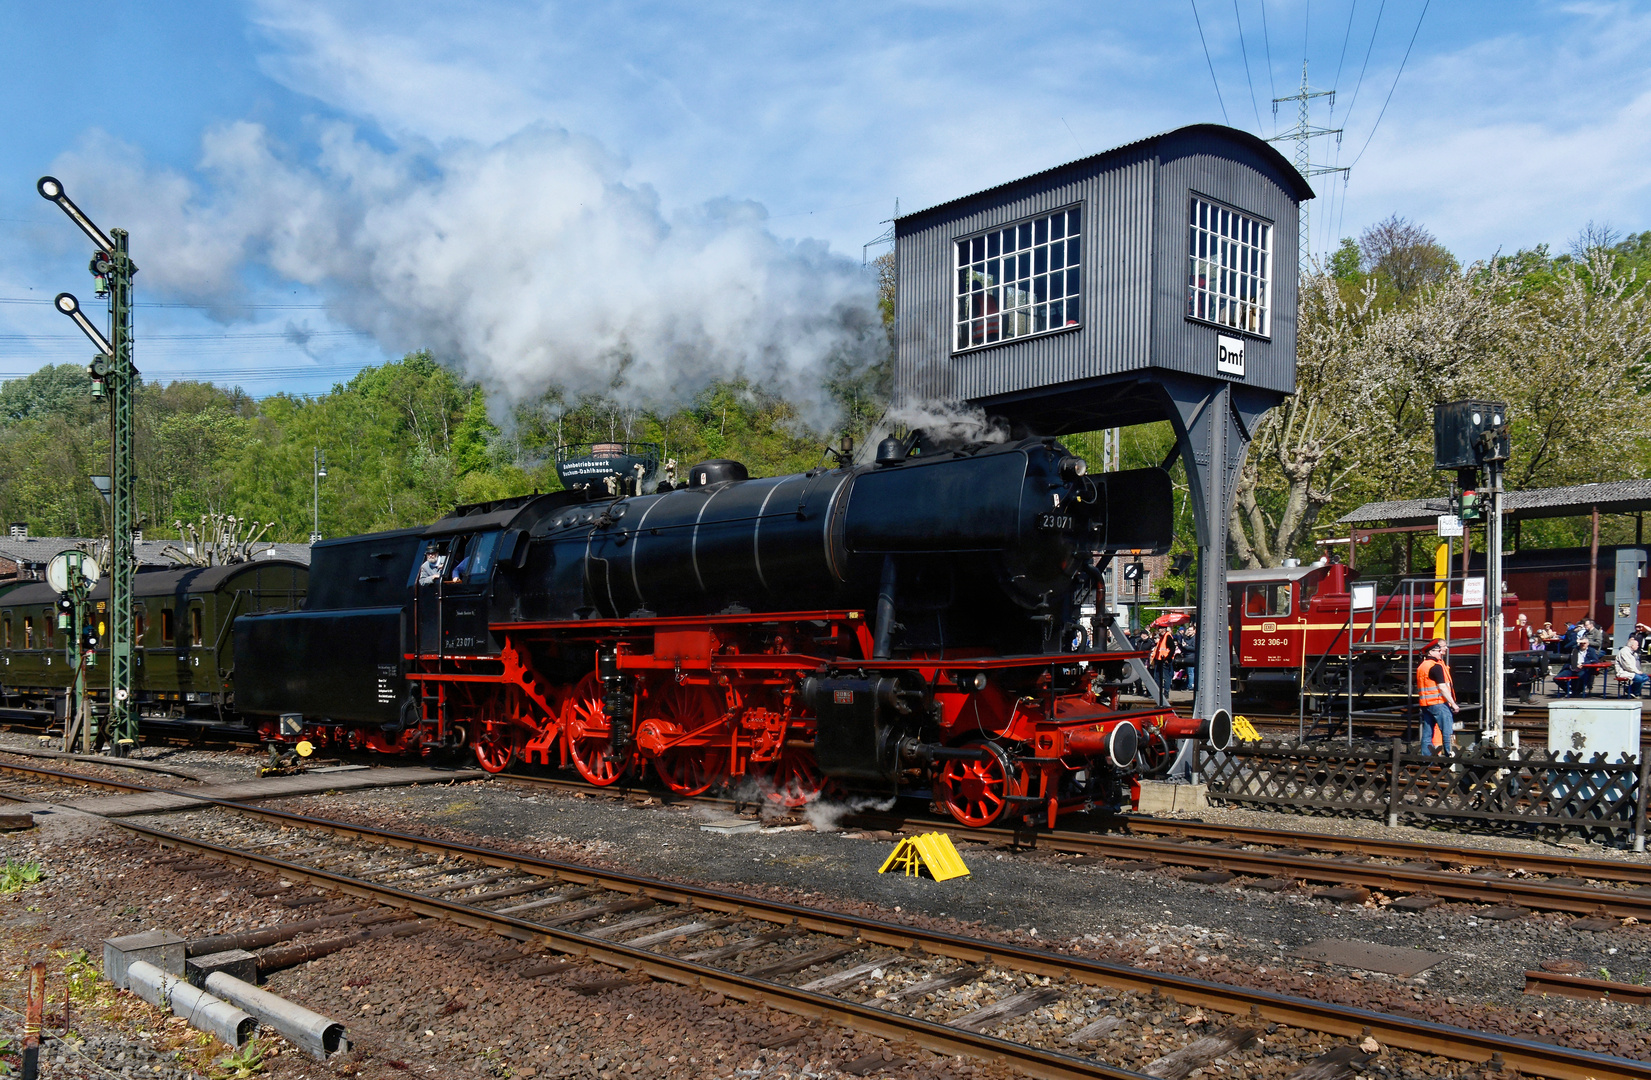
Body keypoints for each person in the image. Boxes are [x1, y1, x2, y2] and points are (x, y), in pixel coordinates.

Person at [1416, 640, 1459, 756]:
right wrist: (1453, 704)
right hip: (1439, 703)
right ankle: (1449, 754)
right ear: (1431, 652)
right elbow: (1442, 688)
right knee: (1447, 731)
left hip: (1426, 704)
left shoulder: (1422, 667)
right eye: (1438, 651)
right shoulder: (1436, 667)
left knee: (1427, 732)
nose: (1441, 653)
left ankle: (1426, 758)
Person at [1616, 633, 1647, 698]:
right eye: (1637, 645)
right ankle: (1636, 693)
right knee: (1639, 679)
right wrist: (1637, 671)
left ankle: (1630, 689)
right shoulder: (1624, 652)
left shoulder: (1633, 653)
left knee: (1646, 677)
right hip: (1624, 672)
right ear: (1632, 645)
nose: (1638, 646)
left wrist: (1637, 671)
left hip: (1632, 671)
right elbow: (1627, 665)